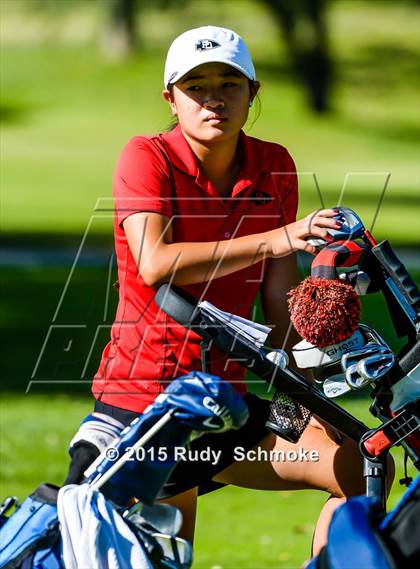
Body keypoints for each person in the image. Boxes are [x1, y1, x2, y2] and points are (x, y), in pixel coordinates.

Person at [68, 26, 378, 558]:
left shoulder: (273, 165)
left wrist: (304, 397)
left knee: (359, 461)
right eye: (196, 86)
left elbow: (278, 298)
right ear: (171, 97)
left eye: (229, 84)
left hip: (230, 410)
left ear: (253, 92)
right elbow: (155, 263)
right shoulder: (146, 156)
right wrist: (280, 236)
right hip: (151, 409)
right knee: (171, 548)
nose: (213, 98)